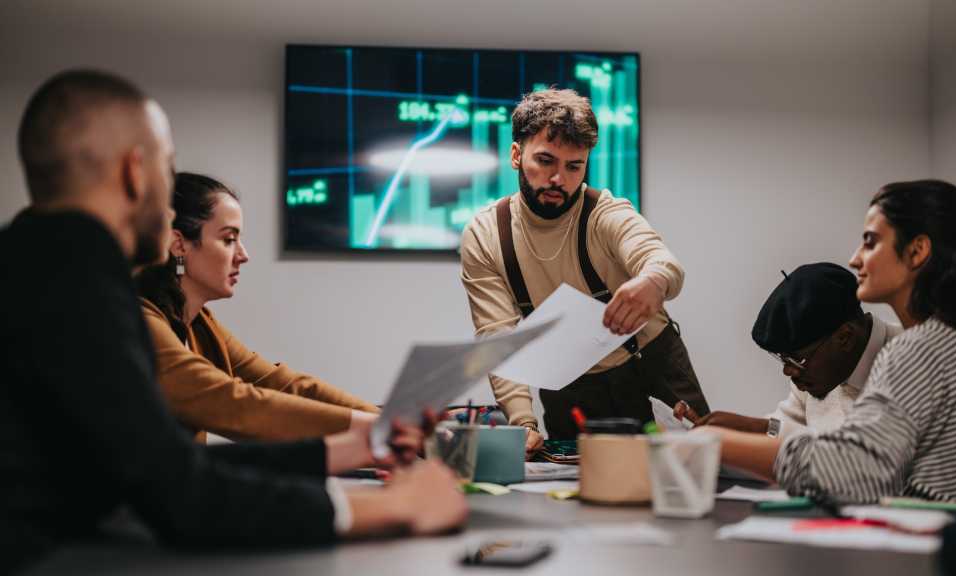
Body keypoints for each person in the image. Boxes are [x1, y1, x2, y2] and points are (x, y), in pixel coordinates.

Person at [0, 69, 466, 573]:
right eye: (167, 166)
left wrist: (353, 444)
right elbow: (184, 497)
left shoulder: (42, 265)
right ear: (135, 172)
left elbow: (157, 466)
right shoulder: (77, 285)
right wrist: (392, 507)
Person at [709, 180, 956, 512]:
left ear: (917, 251)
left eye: (870, 243)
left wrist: (717, 444)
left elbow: (856, 473)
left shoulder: (923, 350)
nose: (855, 259)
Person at [460, 88, 709, 450]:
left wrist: (654, 282)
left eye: (574, 166)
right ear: (516, 154)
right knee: (574, 491)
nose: (559, 179)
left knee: (693, 476)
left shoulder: (605, 214)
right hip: (568, 387)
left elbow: (661, 261)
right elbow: (498, 338)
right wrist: (522, 421)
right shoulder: (485, 236)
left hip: (652, 368)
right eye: (545, 161)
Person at [136, 172, 379, 443]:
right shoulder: (140, 324)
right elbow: (237, 403)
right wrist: (379, 431)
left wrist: (388, 421)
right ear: (179, 244)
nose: (243, 255)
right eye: (229, 239)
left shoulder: (200, 324)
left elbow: (282, 385)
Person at [674, 262, 901, 438]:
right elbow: (782, 429)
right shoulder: (818, 374)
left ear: (845, 337)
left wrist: (755, 431)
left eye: (795, 360)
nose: (788, 372)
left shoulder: (914, 360)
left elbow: (855, 458)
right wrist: (737, 429)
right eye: (783, 360)